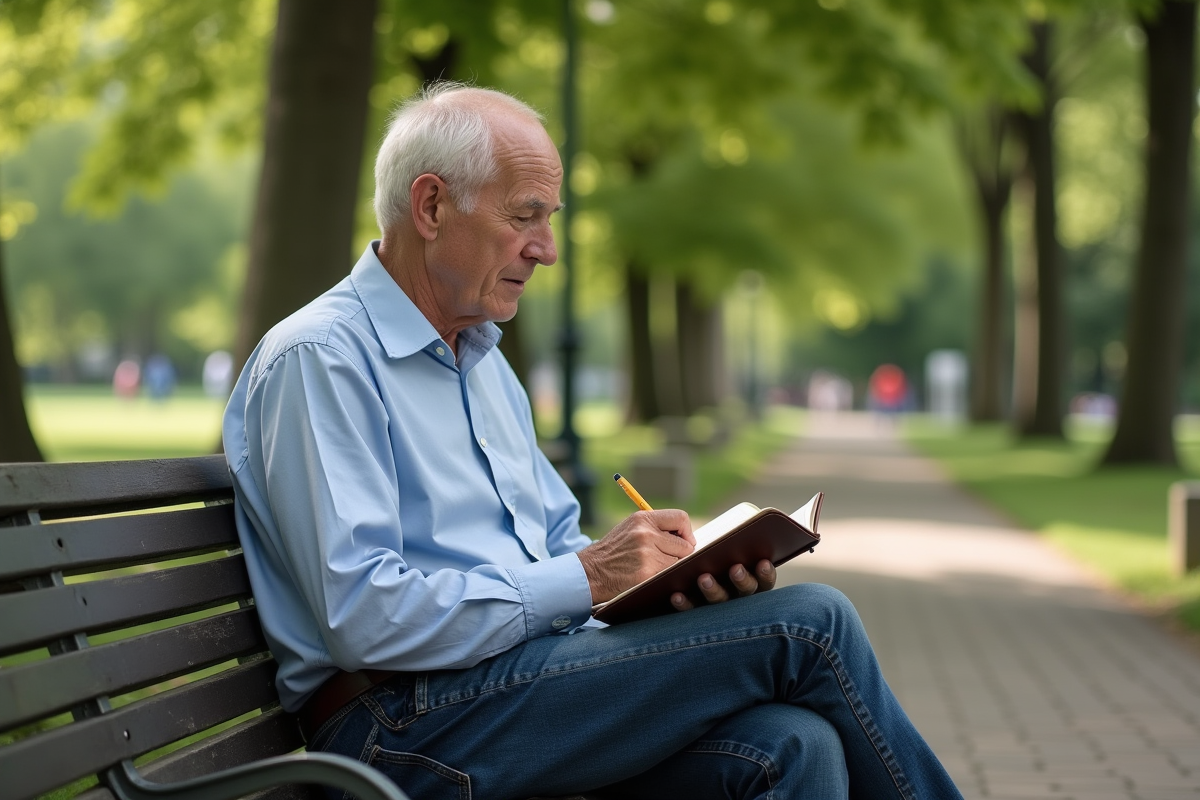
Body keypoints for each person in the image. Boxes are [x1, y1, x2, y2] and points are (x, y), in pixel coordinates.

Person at [223, 83, 962, 800]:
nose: (545, 249)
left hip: (506, 691)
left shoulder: (482, 363)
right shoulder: (320, 360)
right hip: (395, 728)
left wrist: (671, 587)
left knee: (794, 744)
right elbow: (366, 619)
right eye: (525, 217)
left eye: (550, 220)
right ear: (431, 205)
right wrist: (588, 575)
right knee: (812, 623)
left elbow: (554, 543)